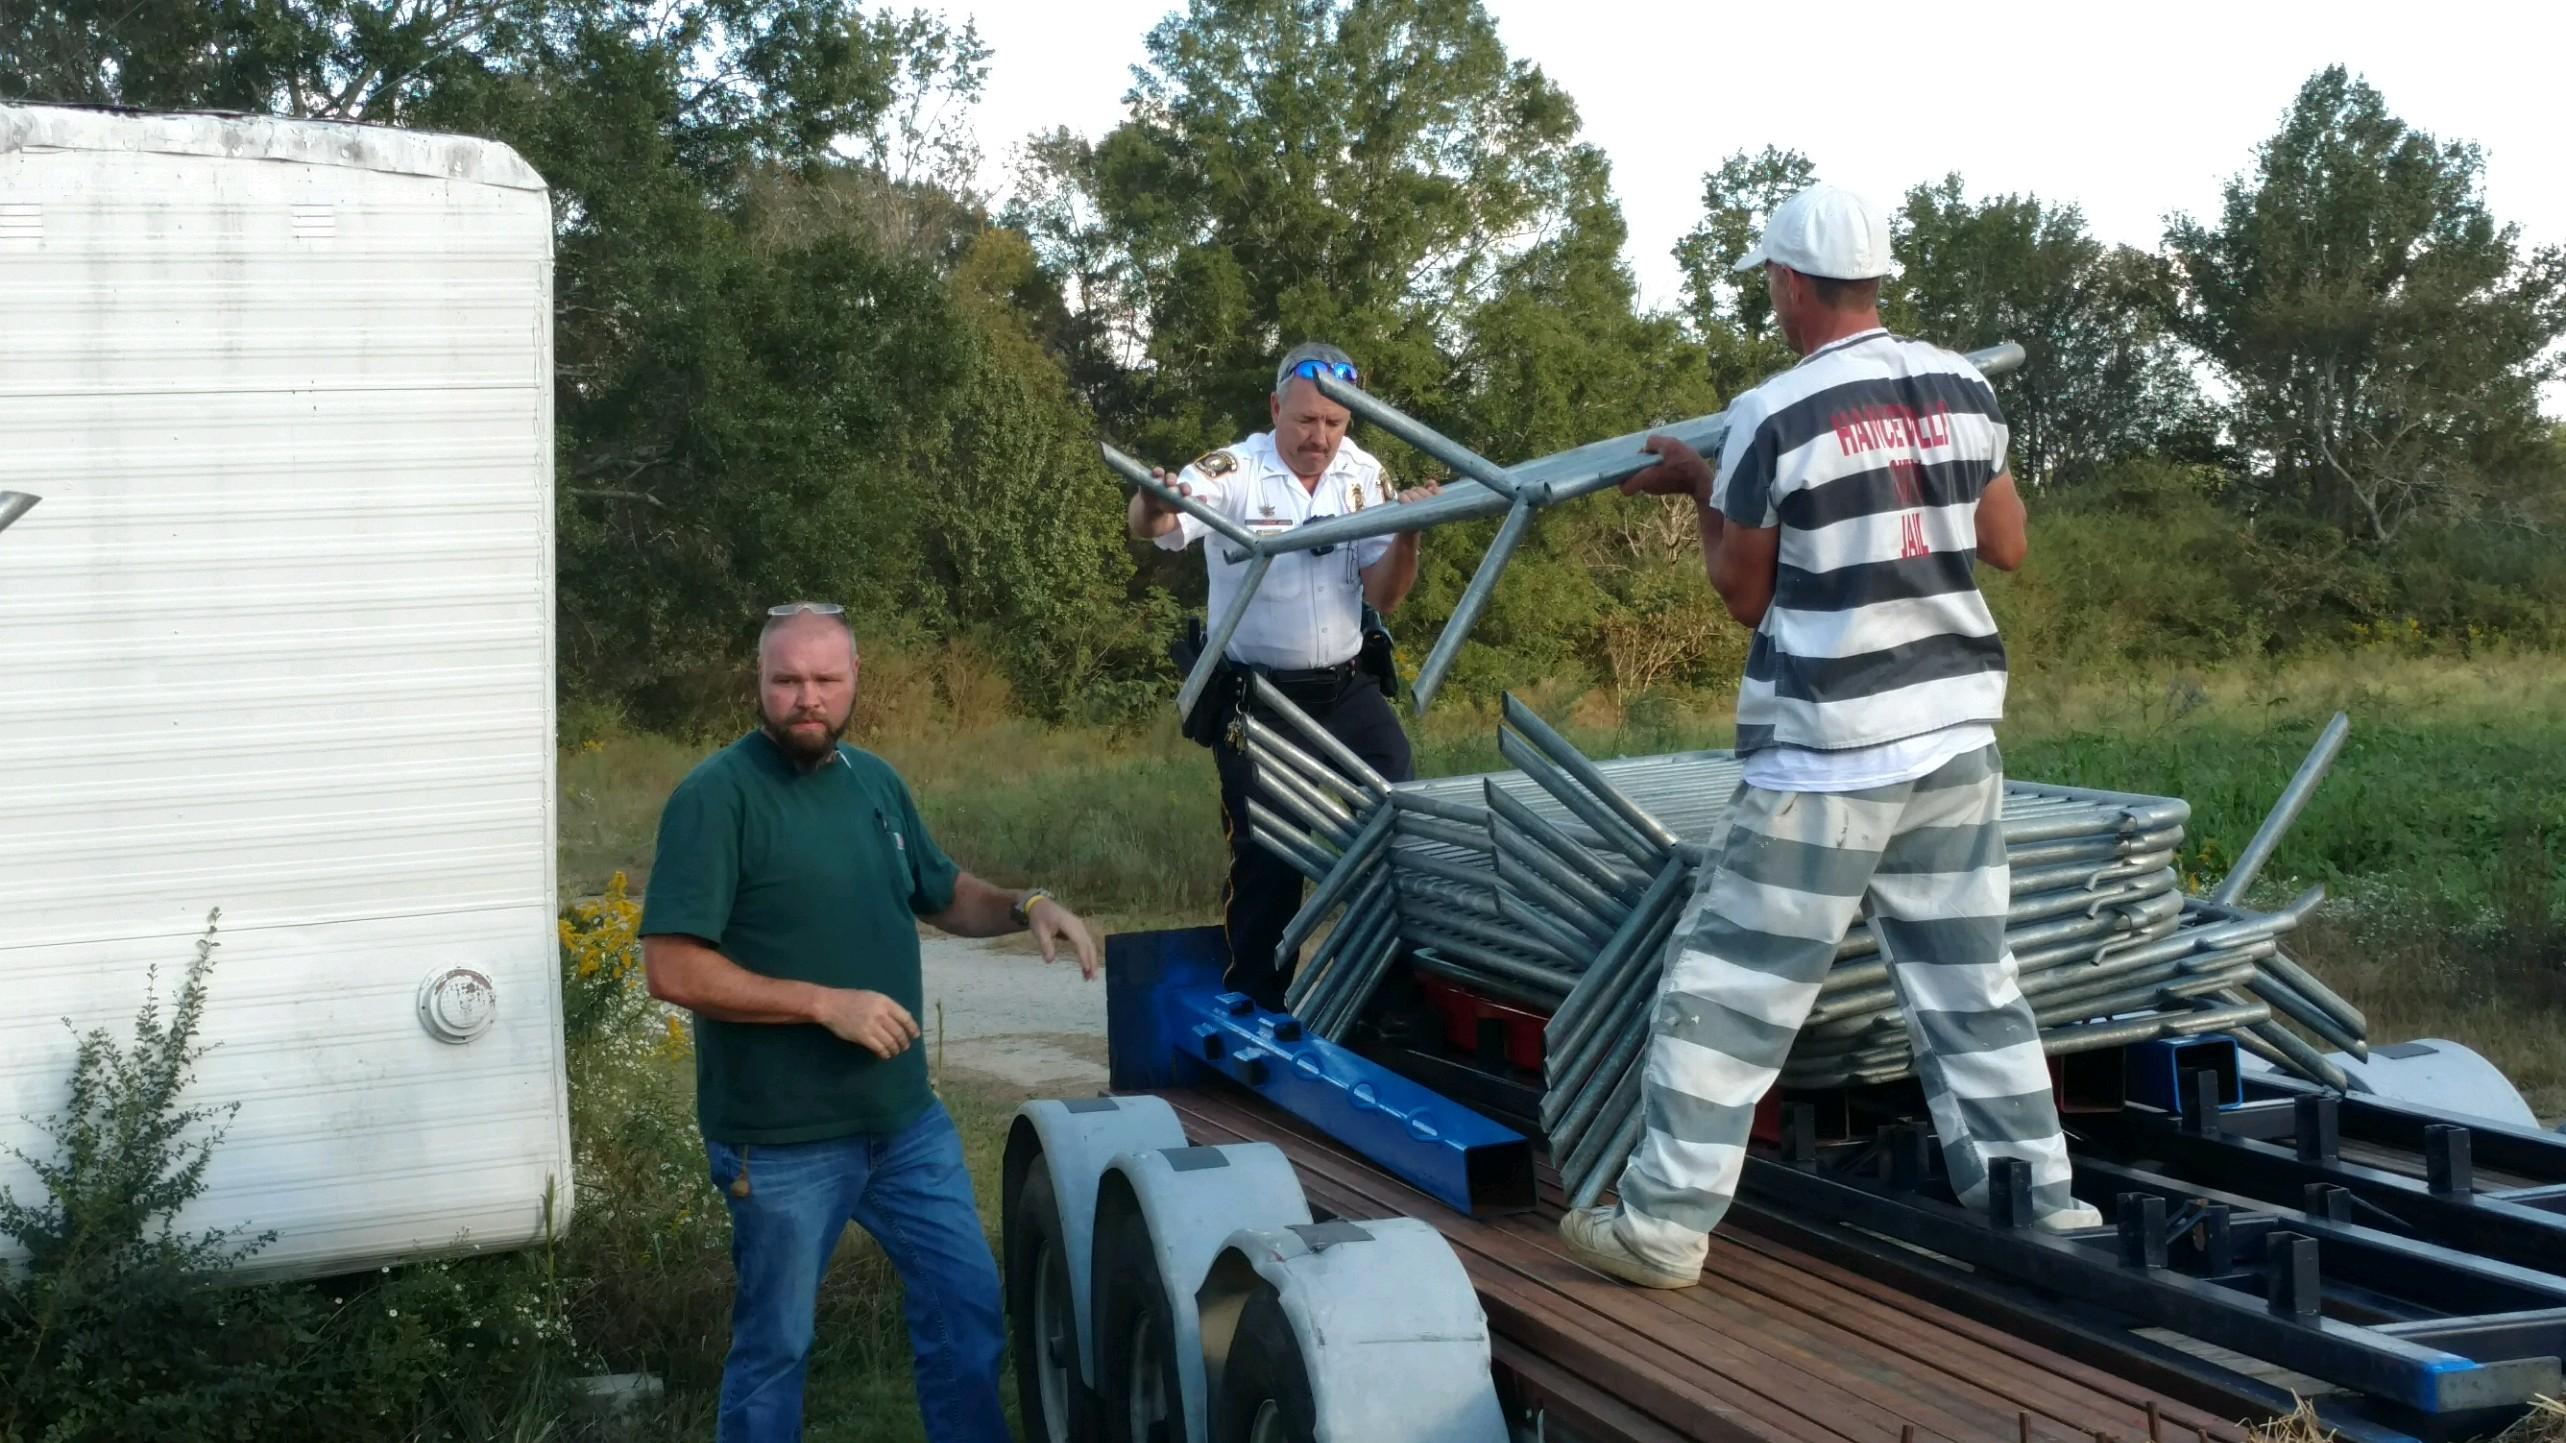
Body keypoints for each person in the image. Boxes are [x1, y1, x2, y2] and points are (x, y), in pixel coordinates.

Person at [1559, 182, 2104, 1290]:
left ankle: (1660, 1225)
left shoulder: (1777, 412)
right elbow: (2004, 545)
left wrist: (1703, 493)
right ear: (1875, 279)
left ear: (1790, 284)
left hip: (1829, 751)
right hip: (1955, 732)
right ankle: (2038, 1203)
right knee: (1969, 981)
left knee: (1732, 986)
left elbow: (1744, 593)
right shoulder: (1959, 384)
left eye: (1769, 281)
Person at [639, 602, 1102, 1441]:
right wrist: (823, 1002)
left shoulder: (873, 780)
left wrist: (1025, 902)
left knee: (967, 1313)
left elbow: (942, 889)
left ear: (854, 682)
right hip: (780, 1141)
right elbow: (671, 966)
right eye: (786, 680)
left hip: (903, 1124)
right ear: (760, 683)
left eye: (824, 679)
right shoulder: (716, 798)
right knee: (774, 1348)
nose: (805, 697)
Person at [1130, 341, 1439, 1012]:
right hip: (1259, 700)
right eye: (1305, 421)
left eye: (1334, 423)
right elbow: (1156, 523)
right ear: (1275, 408)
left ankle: (1389, 1003)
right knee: (1269, 862)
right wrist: (1152, 499)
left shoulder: (1364, 474)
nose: (1319, 438)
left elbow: (1384, 596)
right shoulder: (1234, 469)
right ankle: (1254, 1011)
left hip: (1346, 689)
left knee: (1399, 825)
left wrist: (1409, 533)